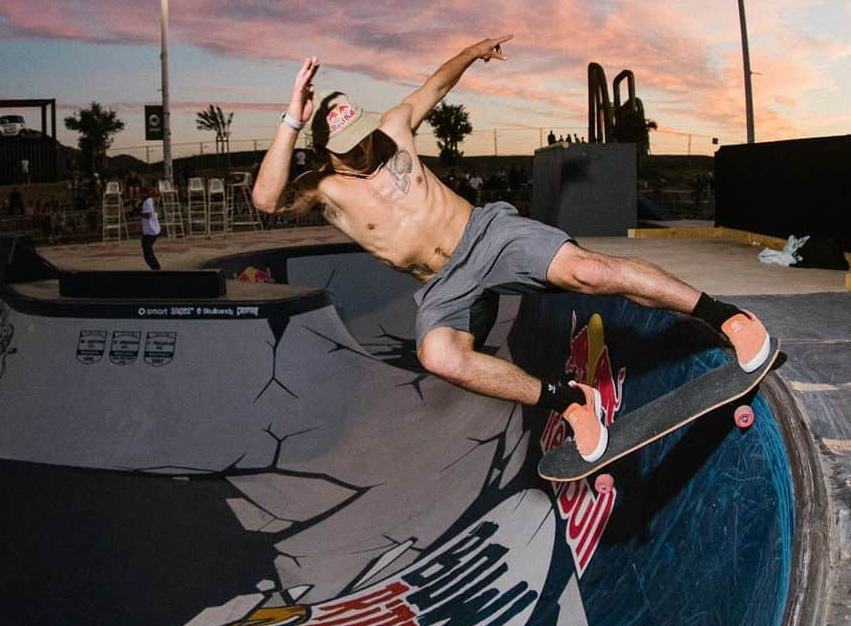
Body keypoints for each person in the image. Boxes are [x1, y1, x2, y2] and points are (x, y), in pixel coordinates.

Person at [252, 38, 770, 463]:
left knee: (587, 270)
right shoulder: (322, 190)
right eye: (351, 148)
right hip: (443, 284)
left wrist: (471, 52)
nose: (366, 151)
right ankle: (568, 402)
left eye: (365, 138)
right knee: (438, 356)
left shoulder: (392, 128)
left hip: (486, 235)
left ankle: (724, 317)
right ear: (325, 150)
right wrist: (290, 118)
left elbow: (437, 81)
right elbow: (266, 197)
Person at [140, 183, 162, 270]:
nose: (139, 195)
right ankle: (154, 266)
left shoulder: (147, 202)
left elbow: (148, 215)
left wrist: (140, 214)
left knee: (147, 250)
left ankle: (156, 267)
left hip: (151, 231)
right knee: (146, 248)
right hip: (152, 230)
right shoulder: (149, 201)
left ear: (145, 193)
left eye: (141, 193)